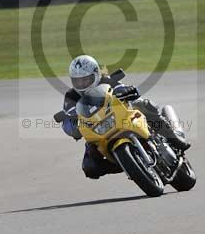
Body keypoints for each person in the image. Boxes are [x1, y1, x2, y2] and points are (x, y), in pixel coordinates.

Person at [62, 55, 190, 180]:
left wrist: (126, 90)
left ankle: (175, 138)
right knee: (90, 167)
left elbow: (120, 87)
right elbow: (67, 117)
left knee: (144, 104)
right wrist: (72, 126)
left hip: (122, 115)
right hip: (97, 129)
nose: (82, 84)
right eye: (77, 81)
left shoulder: (106, 79)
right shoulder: (71, 96)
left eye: (85, 79)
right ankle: (126, 164)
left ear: (96, 74)